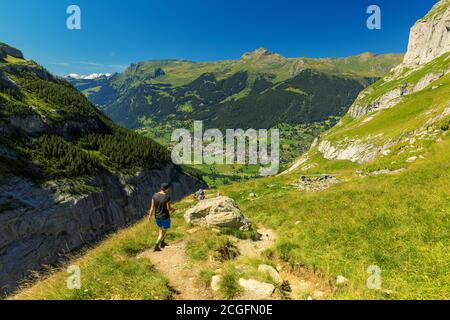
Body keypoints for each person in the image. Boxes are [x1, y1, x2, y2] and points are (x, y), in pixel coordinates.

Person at [148, 182, 173, 252]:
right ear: (167, 189)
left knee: (161, 229)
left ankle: (162, 243)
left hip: (157, 217)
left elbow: (152, 207)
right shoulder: (167, 197)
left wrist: (150, 216)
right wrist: (173, 209)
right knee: (163, 232)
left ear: (161, 188)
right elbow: (169, 208)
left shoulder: (155, 195)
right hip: (165, 217)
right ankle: (156, 245)